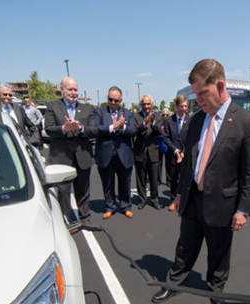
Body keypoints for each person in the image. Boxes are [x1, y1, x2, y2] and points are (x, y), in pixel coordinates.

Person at [152, 58, 250, 304]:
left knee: (219, 251)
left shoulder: (245, 122)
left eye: (203, 93)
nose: (198, 100)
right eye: (195, 94)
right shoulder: (197, 120)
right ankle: (175, 283)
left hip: (223, 203)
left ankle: (215, 288)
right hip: (192, 199)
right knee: (184, 246)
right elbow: (190, 161)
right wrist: (179, 193)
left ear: (220, 86)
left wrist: (243, 209)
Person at [44, 77, 97, 224]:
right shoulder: (52, 106)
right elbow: (48, 129)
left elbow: (94, 130)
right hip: (61, 157)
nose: (73, 93)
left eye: (75, 89)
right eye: (70, 89)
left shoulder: (87, 109)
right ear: (62, 90)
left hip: (82, 156)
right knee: (63, 191)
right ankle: (65, 220)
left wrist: (81, 128)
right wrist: (63, 129)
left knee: (83, 190)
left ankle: (85, 219)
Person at [93, 86, 137, 219]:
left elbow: (133, 130)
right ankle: (109, 206)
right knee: (107, 183)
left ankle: (125, 206)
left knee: (125, 182)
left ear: (120, 100)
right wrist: (113, 126)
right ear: (107, 99)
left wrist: (123, 127)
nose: (113, 102)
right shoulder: (99, 112)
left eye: (116, 100)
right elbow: (97, 129)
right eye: (111, 99)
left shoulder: (127, 113)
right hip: (106, 154)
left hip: (123, 155)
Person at [133, 95, 163, 209]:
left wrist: (153, 122)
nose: (146, 106)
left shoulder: (158, 117)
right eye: (144, 104)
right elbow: (135, 131)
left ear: (152, 104)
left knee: (154, 178)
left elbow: (159, 132)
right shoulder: (136, 116)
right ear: (141, 105)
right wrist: (145, 122)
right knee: (140, 178)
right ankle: (142, 199)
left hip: (153, 152)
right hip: (140, 152)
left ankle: (155, 199)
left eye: (148, 104)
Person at [163, 95, 190, 211]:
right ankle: (173, 200)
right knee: (173, 179)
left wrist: (183, 152)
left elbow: (191, 138)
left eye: (185, 106)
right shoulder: (169, 120)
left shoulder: (190, 120)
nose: (184, 108)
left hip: (185, 155)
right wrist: (175, 150)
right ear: (176, 106)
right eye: (181, 106)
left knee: (184, 179)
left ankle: (184, 200)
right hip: (172, 155)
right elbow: (166, 138)